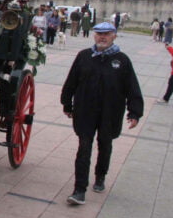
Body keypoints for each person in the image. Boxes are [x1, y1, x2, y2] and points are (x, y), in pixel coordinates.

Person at [61, 22, 143, 205]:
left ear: (114, 35)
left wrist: (135, 112)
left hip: (110, 112)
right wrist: (67, 103)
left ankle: (100, 175)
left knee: (105, 144)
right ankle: (79, 190)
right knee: (84, 147)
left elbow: (132, 87)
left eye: (106, 34)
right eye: (99, 34)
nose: (102, 37)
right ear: (94, 35)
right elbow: (71, 82)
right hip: (85, 110)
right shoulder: (84, 56)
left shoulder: (122, 60)